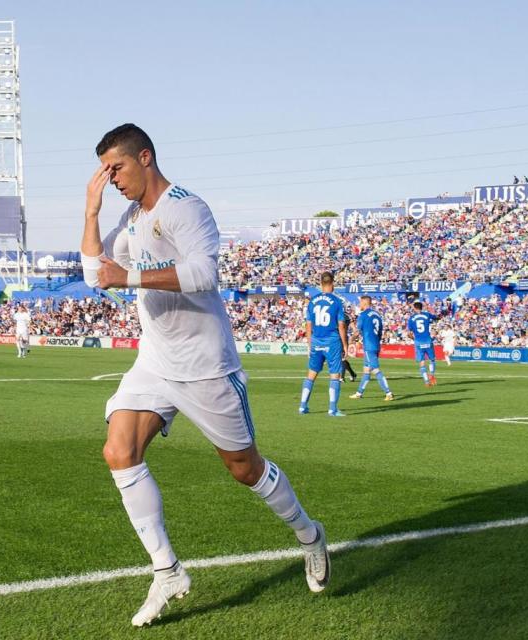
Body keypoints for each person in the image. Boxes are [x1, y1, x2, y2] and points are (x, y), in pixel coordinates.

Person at [81, 124, 329, 627]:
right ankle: (167, 571)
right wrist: (91, 210)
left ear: (145, 157)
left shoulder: (186, 207)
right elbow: (93, 273)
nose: (113, 181)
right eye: (105, 173)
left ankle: (309, 534)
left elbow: (203, 275)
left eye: (117, 169)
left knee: (245, 469)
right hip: (154, 362)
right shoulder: (130, 217)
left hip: (205, 367)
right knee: (118, 451)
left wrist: (125, 276)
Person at [300, 272, 348, 417]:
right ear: (332, 283)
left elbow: (308, 325)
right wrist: (345, 344)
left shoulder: (313, 301)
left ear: (321, 283)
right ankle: (332, 409)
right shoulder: (337, 301)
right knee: (335, 374)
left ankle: (303, 406)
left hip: (316, 341)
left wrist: (310, 343)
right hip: (332, 341)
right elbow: (341, 325)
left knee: (311, 373)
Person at [349, 295, 393, 401]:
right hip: (376, 344)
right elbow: (380, 332)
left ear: (364, 303)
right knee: (366, 370)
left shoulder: (363, 315)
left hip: (369, 345)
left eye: (360, 303)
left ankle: (388, 393)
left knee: (375, 369)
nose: (359, 305)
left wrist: (350, 339)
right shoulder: (377, 315)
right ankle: (359, 393)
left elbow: (357, 332)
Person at [407, 301, 437, 386]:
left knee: (422, 362)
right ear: (421, 307)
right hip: (428, 340)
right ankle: (431, 375)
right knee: (432, 360)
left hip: (418, 342)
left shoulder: (411, 318)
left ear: (415, 308)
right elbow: (435, 318)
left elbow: (409, 333)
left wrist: (414, 338)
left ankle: (427, 382)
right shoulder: (427, 315)